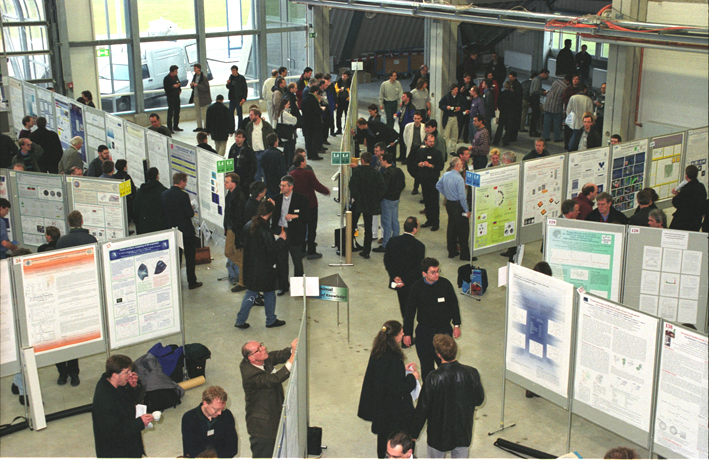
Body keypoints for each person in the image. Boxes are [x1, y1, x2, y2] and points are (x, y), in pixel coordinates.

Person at [409, 335, 485, 458]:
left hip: (438, 434)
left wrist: (414, 433)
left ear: (438, 354)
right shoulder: (472, 373)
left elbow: (423, 409)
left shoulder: (433, 378)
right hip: (462, 431)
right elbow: (479, 400)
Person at [358, 320, 420, 459]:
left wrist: (402, 370)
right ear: (395, 336)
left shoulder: (378, 351)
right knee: (397, 438)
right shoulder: (394, 358)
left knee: (383, 438)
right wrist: (412, 378)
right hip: (393, 411)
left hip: (381, 408)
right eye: (401, 332)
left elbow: (382, 375)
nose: (404, 333)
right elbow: (398, 389)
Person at [53, 210, 98, 386]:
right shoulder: (90, 240)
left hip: (64, 290)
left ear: (69, 223)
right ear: (82, 221)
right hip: (85, 289)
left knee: (60, 336)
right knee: (74, 335)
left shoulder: (62, 241)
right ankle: (74, 373)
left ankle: (62, 373)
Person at [403, 258, 461, 380]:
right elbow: (409, 312)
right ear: (424, 273)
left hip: (444, 331)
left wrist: (456, 325)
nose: (437, 274)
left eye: (437, 271)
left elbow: (454, 305)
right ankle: (430, 393)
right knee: (426, 367)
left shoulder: (445, 284)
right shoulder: (417, 287)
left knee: (446, 366)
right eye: (433, 272)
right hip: (425, 333)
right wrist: (407, 333)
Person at [240, 338, 298, 457]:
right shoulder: (250, 374)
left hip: (273, 413)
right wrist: (292, 356)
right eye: (259, 349)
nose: (264, 348)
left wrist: (292, 349)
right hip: (263, 428)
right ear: (251, 357)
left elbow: (279, 355)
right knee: (264, 454)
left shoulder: (261, 360)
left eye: (261, 345)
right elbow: (275, 379)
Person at [235, 201, 288, 329]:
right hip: (264, 268)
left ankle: (240, 320)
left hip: (250, 266)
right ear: (269, 214)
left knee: (251, 294)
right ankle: (270, 319)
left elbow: (245, 241)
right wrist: (281, 239)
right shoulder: (264, 229)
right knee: (269, 293)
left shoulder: (249, 224)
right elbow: (272, 250)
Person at [92, 354, 153, 458]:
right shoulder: (104, 400)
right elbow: (114, 433)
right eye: (127, 372)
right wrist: (140, 422)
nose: (130, 375)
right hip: (116, 452)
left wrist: (133, 387)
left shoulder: (115, 384)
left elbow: (131, 401)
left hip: (129, 443)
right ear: (115, 375)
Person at [162, 172, 202, 290]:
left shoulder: (164, 194)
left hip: (172, 230)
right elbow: (189, 214)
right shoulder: (183, 196)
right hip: (185, 230)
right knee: (189, 256)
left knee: (175, 256)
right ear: (182, 181)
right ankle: (191, 281)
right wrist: (191, 208)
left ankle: (175, 281)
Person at [384, 216, 426, 322]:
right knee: (411, 311)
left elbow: (388, 261)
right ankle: (408, 335)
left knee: (404, 309)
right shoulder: (419, 246)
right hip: (412, 283)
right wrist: (405, 281)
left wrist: (395, 277)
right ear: (415, 229)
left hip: (398, 283)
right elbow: (417, 268)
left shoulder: (393, 241)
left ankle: (406, 334)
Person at [271, 175, 307, 295]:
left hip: (294, 234)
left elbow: (307, 216)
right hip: (281, 232)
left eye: (283, 185)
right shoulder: (276, 199)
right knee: (281, 261)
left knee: (297, 261)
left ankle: (298, 287)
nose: (281, 187)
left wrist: (294, 216)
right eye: (280, 185)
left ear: (291, 187)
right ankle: (283, 286)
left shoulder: (301, 199)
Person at [289, 155, 330, 259]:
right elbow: (317, 186)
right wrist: (326, 191)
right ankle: (311, 251)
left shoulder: (291, 175)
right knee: (312, 228)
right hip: (311, 205)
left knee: (301, 228)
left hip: (298, 206)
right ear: (302, 163)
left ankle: (302, 250)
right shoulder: (308, 174)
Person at [181, 386, 238, 458]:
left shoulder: (227, 415)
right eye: (216, 409)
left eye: (222, 409)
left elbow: (232, 448)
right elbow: (190, 450)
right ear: (205, 404)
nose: (220, 413)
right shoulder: (189, 418)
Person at [350, 152, 386, 259]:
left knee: (352, 224)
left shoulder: (357, 172)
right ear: (370, 160)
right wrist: (376, 198)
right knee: (368, 227)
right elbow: (382, 188)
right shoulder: (376, 173)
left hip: (358, 203)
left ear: (361, 160)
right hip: (370, 203)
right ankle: (366, 251)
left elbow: (353, 186)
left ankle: (349, 246)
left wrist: (355, 197)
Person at [436, 157, 470, 261]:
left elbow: (438, 185)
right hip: (458, 206)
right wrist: (467, 211)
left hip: (449, 204)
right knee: (463, 230)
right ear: (457, 165)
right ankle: (464, 255)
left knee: (451, 227)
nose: (462, 166)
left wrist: (447, 194)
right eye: (461, 164)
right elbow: (462, 197)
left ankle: (452, 251)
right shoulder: (459, 178)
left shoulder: (446, 175)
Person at [372, 153, 406, 253]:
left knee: (386, 223)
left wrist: (378, 198)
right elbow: (403, 184)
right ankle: (396, 242)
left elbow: (384, 189)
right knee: (394, 221)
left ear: (385, 161)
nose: (380, 161)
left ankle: (386, 244)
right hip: (396, 199)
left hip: (387, 200)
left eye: (381, 160)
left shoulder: (387, 174)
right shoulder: (398, 171)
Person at [224, 173, 247, 293]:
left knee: (239, 256)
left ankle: (243, 282)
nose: (225, 183)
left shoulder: (239, 197)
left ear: (234, 183)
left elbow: (239, 217)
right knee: (228, 252)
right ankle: (246, 268)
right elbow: (227, 212)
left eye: (227, 182)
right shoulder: (230, 195)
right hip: (230, 228)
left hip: (236, 230)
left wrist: (236, 232)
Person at [670, 165, 707, 231]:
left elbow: (677, 203)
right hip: (695, 221)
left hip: (682, 221)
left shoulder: (685, 189)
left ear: (686, 176)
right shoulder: (701, 187)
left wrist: (676, 195)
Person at [133, 167, 169, 234]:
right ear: (157, 176)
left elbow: (135, 209)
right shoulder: (164, 192)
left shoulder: (140, 191)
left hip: (144, 227)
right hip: (161, 227)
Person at [245, 108, 276, 181]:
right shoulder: (249, 126)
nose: (250, 117)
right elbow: (247, 138)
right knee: (256, 174)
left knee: (266, 173)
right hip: (254, 153)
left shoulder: (266, 125)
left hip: (264, 152)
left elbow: (272, 137)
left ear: (257, 115)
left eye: (251, 115)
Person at [403, 112, 426, 195]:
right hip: (411, 149)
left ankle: (415, 187)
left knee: (419, 168)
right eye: (415, 118)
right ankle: (418, 179)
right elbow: (405, 137)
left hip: (420, 150)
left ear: (421, 119)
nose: (416, 120)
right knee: (410, 168)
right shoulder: (408, 126)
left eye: (418, 118)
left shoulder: (424, 127)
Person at [542, 74, 570, 143]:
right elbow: (563, 98)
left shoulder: (556, 81)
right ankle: (556, 137)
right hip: (557, 107)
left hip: (548, 103)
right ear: (568, 81)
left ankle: (545, 136)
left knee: (546, 122)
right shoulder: (565, 88)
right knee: (557, 123)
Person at [229, 130, 257, 197]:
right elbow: (229, 161)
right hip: (234, 177)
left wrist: (249, 178)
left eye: (239, 137)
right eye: (236, 137)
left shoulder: (248, 150)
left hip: (245, 179)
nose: (237, 139)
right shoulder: (233, 148)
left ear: (243, 138)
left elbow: (253, 165)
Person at [301, 85, 325, 161]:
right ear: (315, 92)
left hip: (306, 122)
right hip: (314, 123)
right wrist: (322, 110)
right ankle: (314, 155)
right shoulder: (314, 100)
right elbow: (317, 111)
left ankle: (309, 154)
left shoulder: (304, 99)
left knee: (308, 139)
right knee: (314, 139)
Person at [260, 134, 287, 199]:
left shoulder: (264, 154)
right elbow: (282, 171)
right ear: (275, 143)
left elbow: (262, 166)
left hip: (268, 182)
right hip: (277, 183)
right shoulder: (279, 155)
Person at [439, 84, 463, 156]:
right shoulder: (446, 97)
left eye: (457, 90)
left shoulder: (460, 97)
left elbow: (464, 105)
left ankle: (452, 149)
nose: (456, 91)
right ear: (451, 90)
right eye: (455, 90)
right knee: (446, 135)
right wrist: (446, 107)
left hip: (456, 117)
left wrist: (460, 108)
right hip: (448, 117)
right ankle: (444, 149)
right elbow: (440, 105)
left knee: (455, 134)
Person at [275, 98, 298, 168]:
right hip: (288, 134)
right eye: (288, 104)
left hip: (284, 134)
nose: (289, 105)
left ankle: (286, 164)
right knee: (290, 150)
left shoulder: (280, 112)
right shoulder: (284, 113)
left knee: (287, 149)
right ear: (284, 105)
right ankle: (290, 164)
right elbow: (294, 120)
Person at [190, 64, 212, 132]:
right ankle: (199, 126)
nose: (194, 70)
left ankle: (205, 127)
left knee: (204, 112)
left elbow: (206, 87)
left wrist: (198, 85)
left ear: (199, 68)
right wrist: (192, 85)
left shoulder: (204, 77)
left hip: (203, 97)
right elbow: (193, 86)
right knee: (197, 112)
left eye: (195, 68)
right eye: (194, 68)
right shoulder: (195, 76)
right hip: (196, 96)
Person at [492, 81, 515, 147]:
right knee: (508, 128)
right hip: (509, 112)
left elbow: (498, 102)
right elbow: (514, 104)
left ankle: (496, 140)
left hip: (502, 112)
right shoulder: (512, 94)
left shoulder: (501, 93)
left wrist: (501, 109)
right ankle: (505, 141)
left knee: (500, 127)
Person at [528, 69, 549, 137]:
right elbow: (536, 90)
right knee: (535, 115)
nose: (547, 76)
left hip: (534, 97)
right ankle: (533, 131)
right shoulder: (537, 79)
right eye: (546, 74)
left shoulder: (537, 79)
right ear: (543, 73)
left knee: (535, 114)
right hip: (534, 98)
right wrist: (542, 92)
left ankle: (533, 130)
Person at [163, 65, 183, 132]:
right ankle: (169, 128)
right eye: (175, 71)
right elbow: (166, 88)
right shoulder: (166, 78)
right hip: (171, 97)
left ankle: (176, 126)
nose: (177, 72)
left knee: (177, 112)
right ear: (171, 71)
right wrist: (173, 87)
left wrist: (179, 90)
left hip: (177, 97)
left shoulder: (176, 77)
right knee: (171, 112)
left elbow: (178, 83)